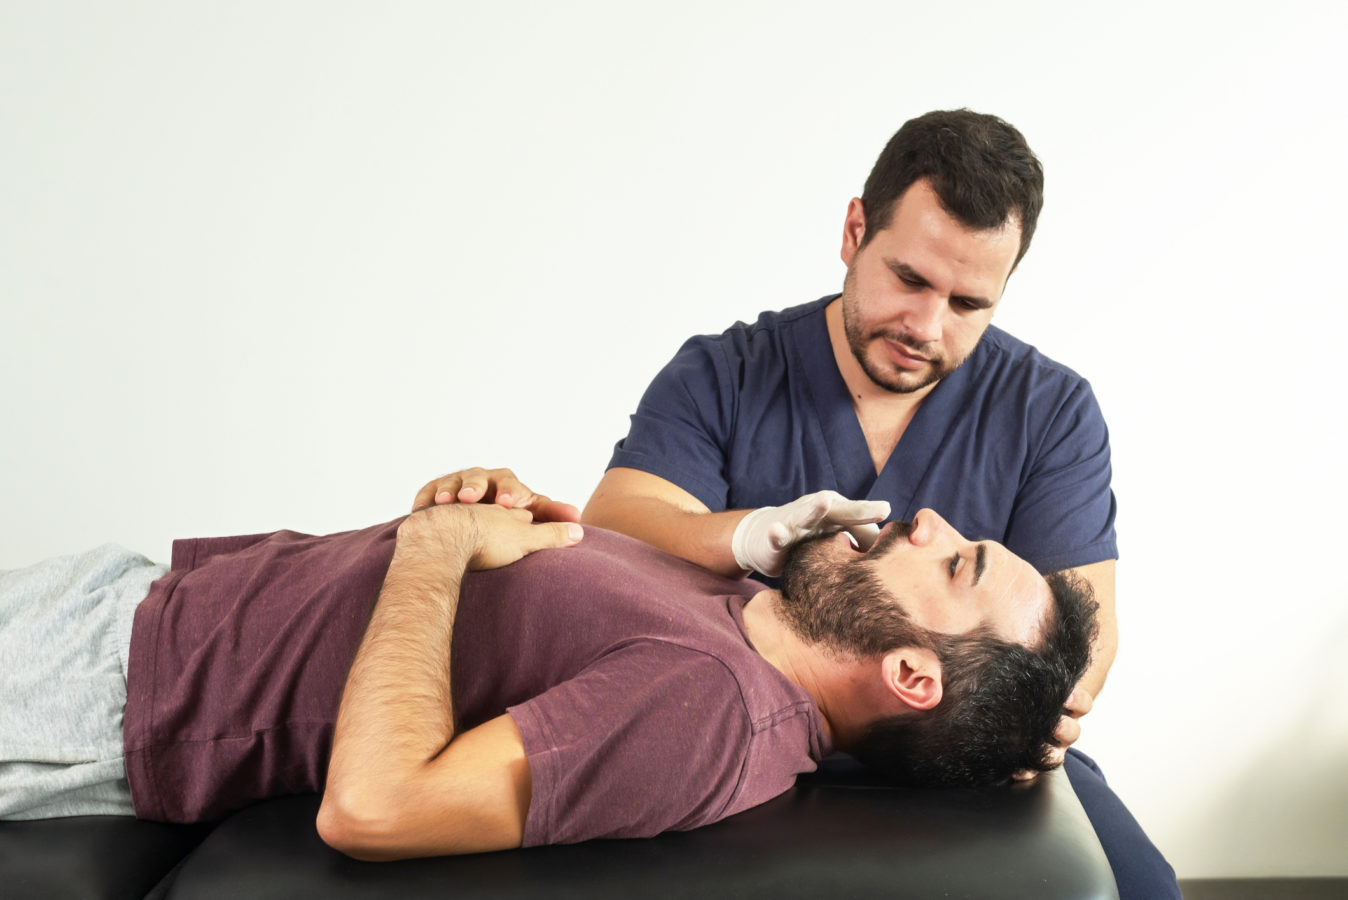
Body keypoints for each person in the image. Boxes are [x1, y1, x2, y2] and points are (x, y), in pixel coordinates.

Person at [415, 110, 1177, 896]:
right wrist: (749, 536)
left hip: (949, 759)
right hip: (722, 732)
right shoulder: (727, 373)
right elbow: (616, 524)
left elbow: (1084, 624)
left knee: (1140, 886)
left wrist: (1036, 714)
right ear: (855, 232)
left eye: (967, 304)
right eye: (910, 279)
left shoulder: (1047, 410)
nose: (926, 325)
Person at [0, 481, 1095, 862]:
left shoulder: (711, 714)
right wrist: (487, 510)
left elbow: (374, 810)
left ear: (912, 676)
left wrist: (431, 554)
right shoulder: (743, 614)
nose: (927, 520)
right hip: (140, 596)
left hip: (110, 692)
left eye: (956, 563)